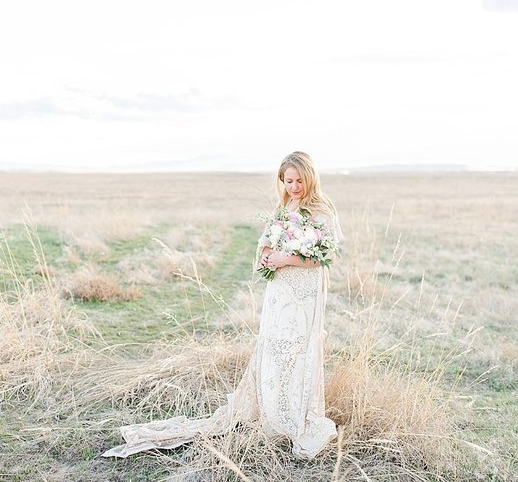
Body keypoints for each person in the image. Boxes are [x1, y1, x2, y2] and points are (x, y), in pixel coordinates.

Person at [101, 151, 343, 460]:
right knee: (274, 347)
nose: (294, 186)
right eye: (288, 180)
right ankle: (273, 409)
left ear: (310, 178)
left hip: (305, 293)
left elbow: (326, 257)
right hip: (280, 290)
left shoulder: (323, 212)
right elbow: (267, 240)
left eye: (299, 180)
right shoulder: (285, 207)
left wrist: (287, 257)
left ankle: (295, 415)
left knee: (296, 348)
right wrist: (269, 254)